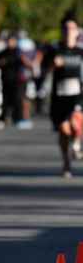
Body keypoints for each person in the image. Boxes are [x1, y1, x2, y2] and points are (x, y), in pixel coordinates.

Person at [45, 13, 83, 178]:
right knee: (63, 131)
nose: (69, 32)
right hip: (59, 96)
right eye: (66, 28)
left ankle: (76, 144)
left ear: (77, 31)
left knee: (76, 122)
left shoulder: (80, 52)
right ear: (62, 31)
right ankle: (66, 162)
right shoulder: (55, 50)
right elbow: (43, 72)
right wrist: (53, 66)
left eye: (72, 28)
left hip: (77, 94)